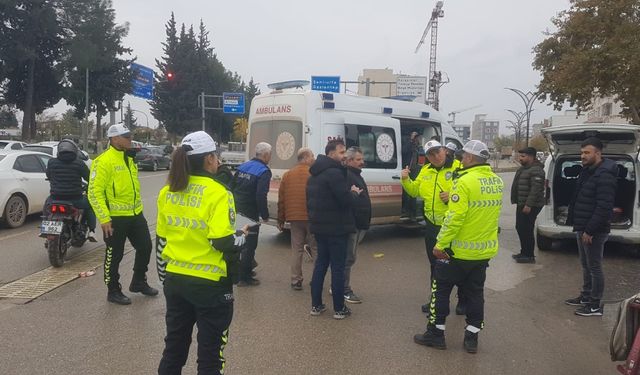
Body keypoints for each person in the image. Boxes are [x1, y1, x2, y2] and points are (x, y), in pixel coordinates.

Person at [156, 131, 247, 374]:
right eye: (216, 156)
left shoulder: (168, 191)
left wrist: (164, 278)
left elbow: (161, 240)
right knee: (210, 355)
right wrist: (242, 236)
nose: (218, 161)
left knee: (173, 349)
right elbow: (222, 241)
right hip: (210, 285)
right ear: (208, 159)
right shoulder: (218, 192)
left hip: (175, 280)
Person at [413, 140, 503, 354]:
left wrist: (440, 244)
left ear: (470, 158)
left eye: (463, 156)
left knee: (440, 290)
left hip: (457, 251)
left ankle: (436, 334)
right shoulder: (496, 181)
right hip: (483, 252)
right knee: (475, 295)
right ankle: (471, 338)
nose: (461, 159)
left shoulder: (463, 182)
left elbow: (454, 217)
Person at [88, 123, 158, 305]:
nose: (130, 139)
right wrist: (104, 218)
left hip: (135, 214)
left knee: (145, 247)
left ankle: (138, 281)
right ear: (114, 139)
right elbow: (94, 192)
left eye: (130, 136)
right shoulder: (103, 161)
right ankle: (113, 290)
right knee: (114, 254)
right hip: (114, 218)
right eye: (126, 137)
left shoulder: (129, 158)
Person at [401, 140, 465, 315]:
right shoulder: (425, 170)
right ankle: (435, 300)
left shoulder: (459, 168)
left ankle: (463, 299)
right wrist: (405, 179)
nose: (435, 156)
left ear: (444, 150)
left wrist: (453, 195)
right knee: (435, 265)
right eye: (430, 154)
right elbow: (415, 191)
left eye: (437, 151)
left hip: (453, 227)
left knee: (457, 264)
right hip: (432, 227)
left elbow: (470, 192)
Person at [307, 139, 361, 320]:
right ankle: (339, 308)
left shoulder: (314, 173)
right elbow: (345, 200)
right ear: (331, 154)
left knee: (320, 265)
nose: (344, 155)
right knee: (338, 268)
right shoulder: (335, 173)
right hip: (337, 229)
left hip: (319, 228)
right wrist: (354, 192)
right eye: (341, 152)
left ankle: (316, 305)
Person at [565, 137, 617, 317]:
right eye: (582, 153)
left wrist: (590, 230)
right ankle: (586, 296)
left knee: (594, 267)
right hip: (583, 226)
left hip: (594, 230)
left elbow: (604, 206)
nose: (583, 156)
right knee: (586, 265)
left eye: (587, 152)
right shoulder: (588, 171)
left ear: (598, 153)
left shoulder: (605, 174)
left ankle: (595, 305)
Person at [232, 142, 272, 286]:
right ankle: (244, 277)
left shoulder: (243, 166)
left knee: (239, 241)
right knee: (250, 245)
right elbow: (261, 195)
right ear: (266, 155)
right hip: (250, 213)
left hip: (237, 209)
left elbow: (232, 187)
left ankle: (239, 271)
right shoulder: (264, 171)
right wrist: (265, 214)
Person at [277, 147, 317, 290]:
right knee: (315, 248)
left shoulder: (288, 175)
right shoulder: (314, 174)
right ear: (305, 158)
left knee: (297, 249)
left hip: (294, 218)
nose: (314, 158)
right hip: (312, 217)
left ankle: (296, 280)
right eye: (312, 156)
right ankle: (316, 279)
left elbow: (281, 198)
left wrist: (280, 219)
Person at [46, 139, 96, 237]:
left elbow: (49, 175)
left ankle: (46, 226)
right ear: (74, 150)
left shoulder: (52, 162)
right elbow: (89, 178)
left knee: (46, 206)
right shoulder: (79, 163)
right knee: (90, 205)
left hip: (55, 197)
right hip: (75, 198)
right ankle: (92, 231)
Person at [343, 146, 371, 304]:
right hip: (352, 224)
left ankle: (337, 286)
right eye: (358, 159)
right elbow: (347, 201)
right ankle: (344, 290)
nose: (362, 162)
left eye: (362, 159)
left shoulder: (356, 174)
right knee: (348, 258)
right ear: (349, 160)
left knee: (347, 257)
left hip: (359, 223)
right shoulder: (348, 175)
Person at [511, 147, 545, 263]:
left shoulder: (536, 170)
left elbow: (535, 190)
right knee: (520, 227)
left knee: (526, 229)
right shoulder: (525, 168)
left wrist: (528, 205)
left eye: (523, 156)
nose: (520, 158)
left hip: (530, 205)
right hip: (522, 203)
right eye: (520, 156)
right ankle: (524, 252)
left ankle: (529, 255)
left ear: (531, 157)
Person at [401, 131, 421, 220]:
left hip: (415, 170)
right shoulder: (408, 144)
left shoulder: (419, 147)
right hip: (407, 170)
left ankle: (413, 213)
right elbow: (403, 151)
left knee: (413, 194)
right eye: (415, 137)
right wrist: (411, 140)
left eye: (417, 137)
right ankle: (406, 211)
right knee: (406, 193)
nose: (417, 139)